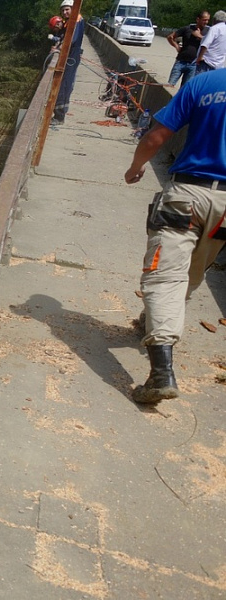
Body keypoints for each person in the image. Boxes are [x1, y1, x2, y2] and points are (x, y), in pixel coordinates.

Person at [123, 68, 226, 404]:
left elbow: (158, 135)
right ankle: (152, 320)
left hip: (188, 194)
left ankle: (161, 373)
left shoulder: (205, 83)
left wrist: (136, 166)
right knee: (195, 271)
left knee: (165, 277)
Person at [52, 0, 85, 125]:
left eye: (67, 9)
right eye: (63, 10)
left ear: (73, 9)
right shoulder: (72, 21)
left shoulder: (75, 21)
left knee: (63, 86)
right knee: (64, 85)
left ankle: (59, 117)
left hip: (70, 59)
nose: (65, 12)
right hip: (71, 58)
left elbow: (71, 39)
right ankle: (59, 114)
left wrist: (58, 47)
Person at [166, 11, 210, 87]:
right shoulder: (187, 29)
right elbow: (170, 37)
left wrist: (199, 36)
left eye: (207, 20)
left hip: (194, 65)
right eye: (204, 20)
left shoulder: (209, 32)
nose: (206, 22)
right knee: (170, 85)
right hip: (180, 61)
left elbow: (211, 45)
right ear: (198, 19)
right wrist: (177, 46)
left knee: (186, 88)